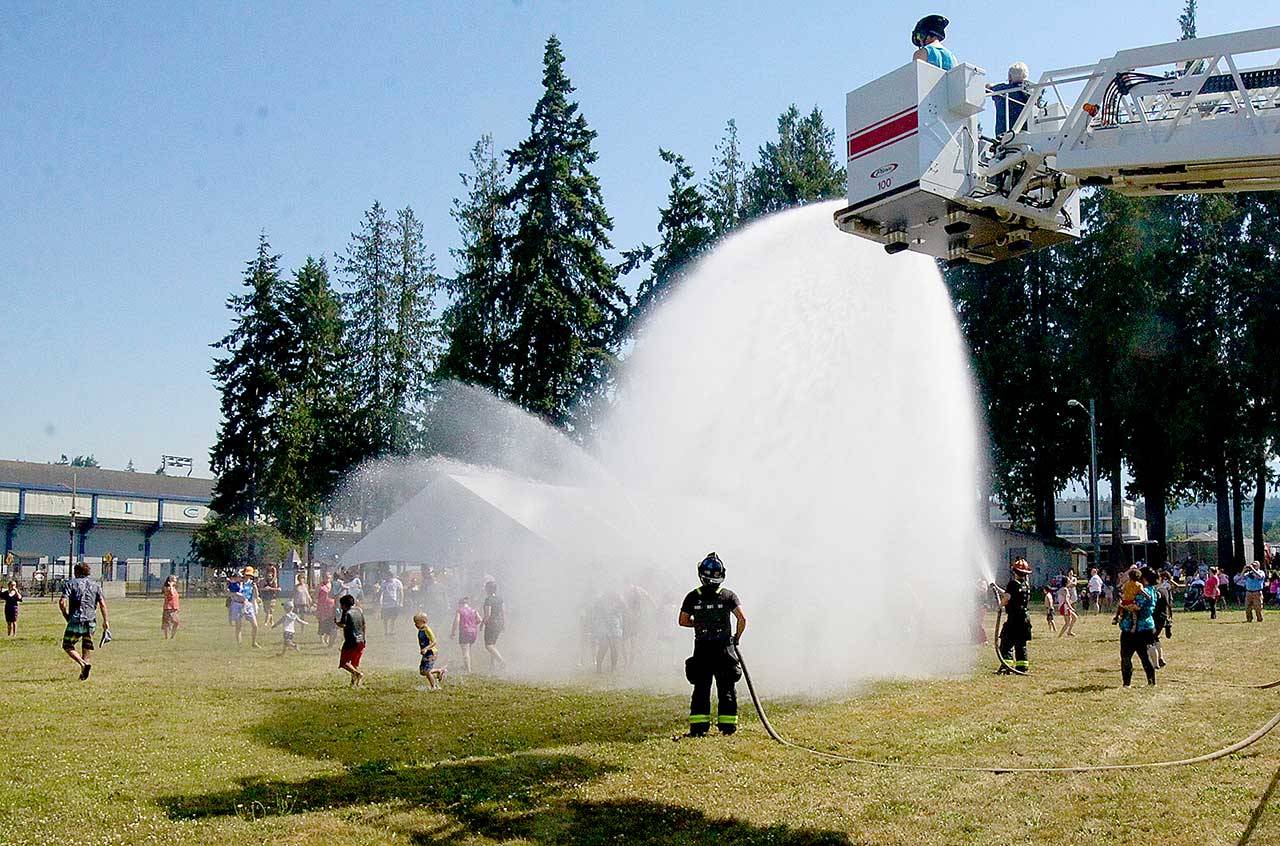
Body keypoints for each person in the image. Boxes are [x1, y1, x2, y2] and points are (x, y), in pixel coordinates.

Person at [678, 552, 747, 736]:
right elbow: (742, 618)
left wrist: (698, 623)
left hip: (702, 650)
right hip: (724, 649)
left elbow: (683, 620)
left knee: (701, 688)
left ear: (701, 574)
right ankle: (728, 727)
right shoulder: (728, 596)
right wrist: (736, 638)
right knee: (726, 688)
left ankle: (699, 728)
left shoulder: (693, 596)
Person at [60, 561, 109, 680]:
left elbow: (62, 602)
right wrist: (105, 621)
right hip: (91, 620)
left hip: (76, 619)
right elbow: (102, 604)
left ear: (77, 571)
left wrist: (66, 616)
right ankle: (84, 674)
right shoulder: (96, 586)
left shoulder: (70, 584)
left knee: (67, 645)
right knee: (86, 646)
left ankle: (83, 664)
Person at [1119, 568, 1158, 687]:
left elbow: (1135, 606)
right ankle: (1151, 682)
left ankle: (1127, 684)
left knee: (1126, 656)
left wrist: (1121, 605)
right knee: (1144, 656)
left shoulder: (1142, 591)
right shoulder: (1153, 590)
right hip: (1146, 627)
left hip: (1133, 629)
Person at [996, 558, 1032, 674]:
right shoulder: (1026, 585)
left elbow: (1007, 598)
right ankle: (1022, 667)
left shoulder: (1012, 584)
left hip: (1014, 619)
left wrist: (1000, 605)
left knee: (1006, 643)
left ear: (1015, 572)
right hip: (1025, 619)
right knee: (1021, 644)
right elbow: (1011, 594)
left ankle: (1006, 666)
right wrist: (996, 588)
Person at [989, 62, 1032, 135]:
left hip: (1005, 132)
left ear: (1010, 76)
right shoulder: (1031, 93)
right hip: (1026, 130)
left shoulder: (1003, 89)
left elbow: (988, 88)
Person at [336, 593, 366, 688]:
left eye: (341, 605)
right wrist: (364, 638)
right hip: (360, 640)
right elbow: (364, 625)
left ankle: (357, 674)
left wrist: (336, 623)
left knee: (344, 663)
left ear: (344, 605)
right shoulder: (359, 611)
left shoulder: (347, 612)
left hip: (351, 641)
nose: (340, 607)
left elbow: (343, 624)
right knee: (354, 663)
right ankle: (353, 683)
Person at [414, 612, 446, 690]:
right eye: (415, 623)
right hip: (426, 653)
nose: (415, 625)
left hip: (431, 653)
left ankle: (433, 687)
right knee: (422, 672)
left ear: (424, 622)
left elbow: (434, 642)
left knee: (427, 671)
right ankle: (439, 670)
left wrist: (425, 649)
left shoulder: (427, 630)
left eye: (417, 623)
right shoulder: (421, 629)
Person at [481, 578, 507, 671]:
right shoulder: (500, 599)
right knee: (493, 644)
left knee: (489, 645)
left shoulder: (488, 599)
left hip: (491, 624)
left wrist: (482, 623)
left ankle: (501, 662)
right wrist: (504, 623)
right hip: (499, 623)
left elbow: (488, 614)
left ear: (488, 589)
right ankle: (492, 666)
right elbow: (504, 612)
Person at [1151, 569, 1175, 669]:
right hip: (1163, 617)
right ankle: (1161, 658)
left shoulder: (1153, 591)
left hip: (1153, 617)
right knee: (1155, 638)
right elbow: (1168, 605)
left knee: (1151, 639)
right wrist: (1169, 617)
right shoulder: (1164, 590)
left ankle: (1155, 663)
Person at [450, 595, 480, 672]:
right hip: (473, 632)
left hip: (465, 632)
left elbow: (456, 621)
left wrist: (453, 632)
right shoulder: (473, 610)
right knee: (468, 649)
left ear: (460, 604)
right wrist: (473, 625)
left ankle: (468, 670)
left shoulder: (460, 610)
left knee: (465, 651)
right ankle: (466, 665)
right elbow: (479, 620)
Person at [235, 566, 262, 649]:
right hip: (239, 604)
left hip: (248, 605)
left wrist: (255, 588)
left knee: (255, 625)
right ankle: (239, 644)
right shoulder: (239, 582)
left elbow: (256, 596)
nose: (248, 576)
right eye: (247, 574)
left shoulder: (252, 584)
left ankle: (254, 643)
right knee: (239, 625)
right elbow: (235, 592)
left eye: (250, 575)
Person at [379, 571, 405, 636]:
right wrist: (380, 602)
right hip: (385, 604)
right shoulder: (384, 583)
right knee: (385, 619)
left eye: (386, 576)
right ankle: (386, 631)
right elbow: (381, 593)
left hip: (394, 603)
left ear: (390, 576)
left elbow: (401, 592)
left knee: (393, 618)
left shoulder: (397, 582)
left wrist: (401, 602)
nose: (384, 577)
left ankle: (392, 631)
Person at [315, 571, 336, 647]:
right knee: (322, 623)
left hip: (331, 607)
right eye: (326, 577)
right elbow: (315, 596)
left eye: (329, 577)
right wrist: (314, 605)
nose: (327, 579)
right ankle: (321, 639)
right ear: (323, 577)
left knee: (330, 623)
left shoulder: (333, 585)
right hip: (322, 607)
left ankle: (327, 638)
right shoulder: (320, 586)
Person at [1056, 572, 1078, 638]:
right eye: (1068, 580)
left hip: (1065, 606)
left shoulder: (1063, 589)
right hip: (1065, 606)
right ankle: (1059, 636)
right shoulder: (1065, 589)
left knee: (1074, 617)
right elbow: (1066, 600)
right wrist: (1071, 607)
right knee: (1067, 622)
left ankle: (1069, 632)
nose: (1070, 581)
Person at [161, 574, 180, 639]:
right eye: (175, 579)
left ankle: (172, 637)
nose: (176, 580)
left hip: (174, 608)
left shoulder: (174, 588)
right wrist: (171, 586)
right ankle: (166, 637)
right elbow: (171, 594)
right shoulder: (167, 588)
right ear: (171, 580)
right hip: (169, 608)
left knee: (176, 622)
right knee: (167, 623)